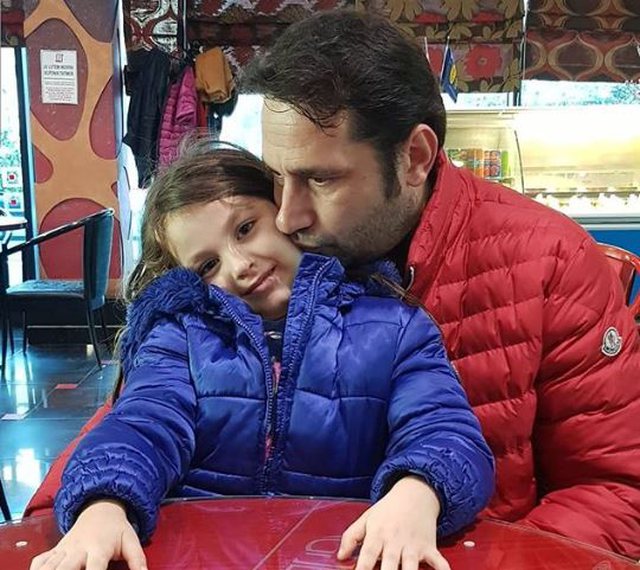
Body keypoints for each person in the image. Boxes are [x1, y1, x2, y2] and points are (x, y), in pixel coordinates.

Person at [240, 8, 640, 558]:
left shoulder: (552, 264)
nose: (288, 216)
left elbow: (614, 488)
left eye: (321, 179)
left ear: (415, 158)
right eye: (276, 176)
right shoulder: (255, 257)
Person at [30, 144, 494, 570]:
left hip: (345, 555)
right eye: (208, 265)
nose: (240, 265)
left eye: (246, 228)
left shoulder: (395, 327)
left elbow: (445, 429)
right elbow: (142, 424)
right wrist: (104, 505)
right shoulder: (181, 337)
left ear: (285, 209)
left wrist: (418, 491)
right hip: (205, 557)